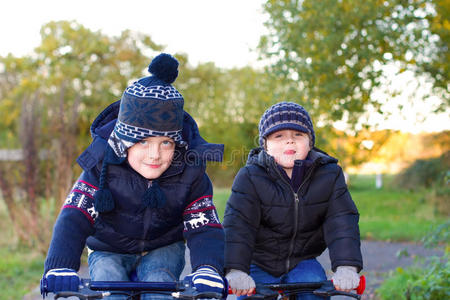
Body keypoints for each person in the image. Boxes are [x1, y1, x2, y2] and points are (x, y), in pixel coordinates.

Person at [41, 53, 226, 299]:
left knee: (159, 284)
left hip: (163, 246)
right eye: (143, 142)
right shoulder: (100, 167)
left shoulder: (190, 173)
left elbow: (205, 226)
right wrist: (60, 265)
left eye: (166, 143)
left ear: (178, 143)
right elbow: (74, 217)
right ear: (124, 142)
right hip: (108, 247)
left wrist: (208, 268)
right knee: (108, 282)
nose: (155, 154)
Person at [223, 102, 363, 300]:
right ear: (266, 145)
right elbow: (238, 225)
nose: (290, 142)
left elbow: (342, 222)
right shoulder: (250, 176)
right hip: (259, 261)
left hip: (302, 260)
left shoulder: (329, 175)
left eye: (298, 135)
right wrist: (235, 270)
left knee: (314, 294)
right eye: (279, 136)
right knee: (251, 296)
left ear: (310, 141)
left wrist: (346, 267)